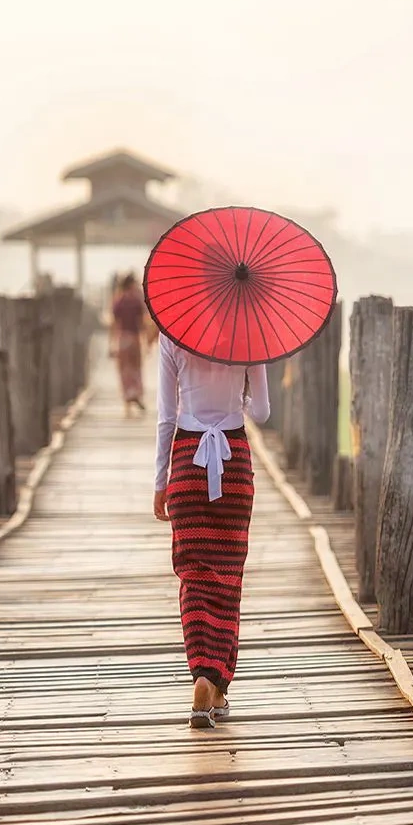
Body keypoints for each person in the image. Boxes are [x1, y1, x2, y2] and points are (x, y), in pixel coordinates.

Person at [153, 334, 270, 728]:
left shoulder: (172, 333)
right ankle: (215, 678)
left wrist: (160, 482)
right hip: (234, 462)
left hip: (187, 462)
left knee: (194, 575)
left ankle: (205, 679)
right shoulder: (250, 332)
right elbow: (263, 413)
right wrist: (243, 395)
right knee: (227, 577)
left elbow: (166, 417)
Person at [109, 274, 147, 416]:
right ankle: (135, 393)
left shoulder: (118, 301)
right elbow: (141, 323)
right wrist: (146, 340)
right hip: (135, 338)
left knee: (124, 370)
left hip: (122, 338)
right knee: (136, 368)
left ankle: (127, 402)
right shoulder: (136, 301)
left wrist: (111, 343)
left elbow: (114, 324)